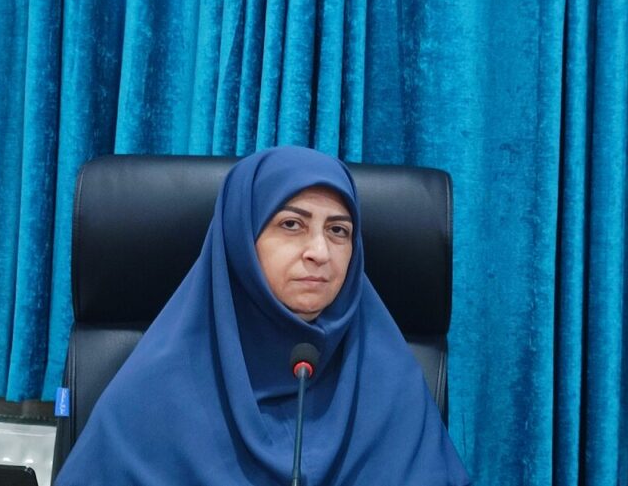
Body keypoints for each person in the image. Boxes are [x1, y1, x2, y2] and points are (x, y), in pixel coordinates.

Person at [54, 146, 470, 485]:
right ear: (240, 239)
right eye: (291, 225)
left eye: (338, 231)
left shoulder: (391, 382)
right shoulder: (151, 392)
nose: (320, 252)